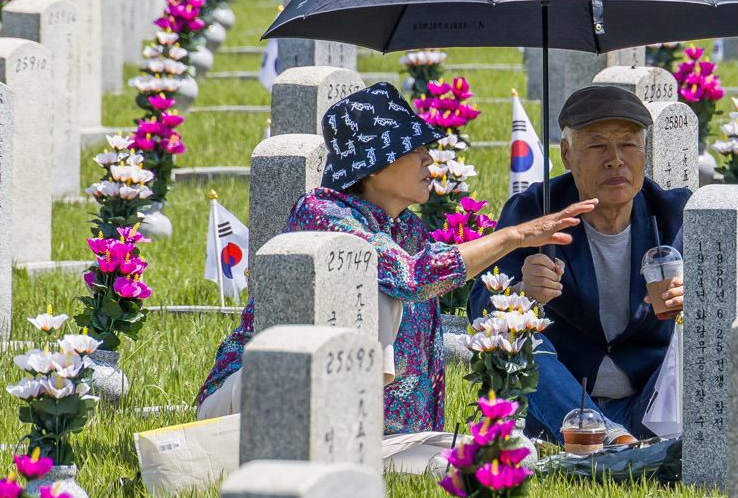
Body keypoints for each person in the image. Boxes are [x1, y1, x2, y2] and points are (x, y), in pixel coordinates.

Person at [195, 83, 590, 430]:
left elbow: (428, 296)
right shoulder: (324, 212)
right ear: (370, 167)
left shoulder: (408, 228)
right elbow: (414, 277)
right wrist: (516, 235)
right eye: (412, 148)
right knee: (382, 293)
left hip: (362, 422)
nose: (427, 158)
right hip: (252, 403)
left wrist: (520, 290)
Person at [472, 84, 690, 442]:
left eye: (628, 144)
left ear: (645, 150)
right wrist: (520, 292)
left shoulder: (674, 214)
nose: (615, 159)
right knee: (516, 336)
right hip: (564, 409)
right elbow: (479, 307)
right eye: (597, 145)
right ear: (566, 154)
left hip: (651, 404)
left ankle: (629, 443)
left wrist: (693, 299)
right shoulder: (534, 211)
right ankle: (608, 442)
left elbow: (730, 306)